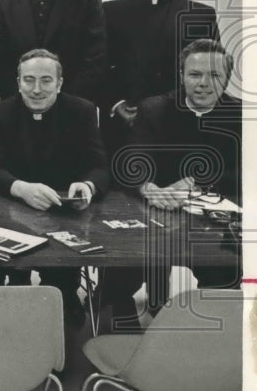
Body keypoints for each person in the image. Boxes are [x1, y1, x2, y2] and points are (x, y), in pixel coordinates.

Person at [102, 39, 241, 322]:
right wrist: (148, 188)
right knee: (116, 270)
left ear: (227, 77)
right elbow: (129, 161)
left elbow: (248, 174)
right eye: (195, 74)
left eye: (214, 75)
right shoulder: (155, 108)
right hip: (156, 213)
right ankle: (120, 343)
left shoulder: (243, 115)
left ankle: (201, 340)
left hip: (212, 223)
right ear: (181, 75)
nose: (203, 83)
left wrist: (194, 183)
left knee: (225, 277)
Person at [0, 49, 110, 325]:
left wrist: (87, 185)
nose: (36, 89)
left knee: (62, 297)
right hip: (7, 212)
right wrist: (21, 188)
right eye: (29, 80)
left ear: (60, 83)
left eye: (46, 80)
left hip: (63, 216)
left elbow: (99, 166)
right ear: (18, 81)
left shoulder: (83, 111)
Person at [101, 0, 219, 155]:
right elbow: (99, 66)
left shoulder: (199, 16)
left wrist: (161, 108)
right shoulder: (111, 12)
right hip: (122, 123)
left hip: (176, 122)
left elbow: (212, 72)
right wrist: (116, 104)